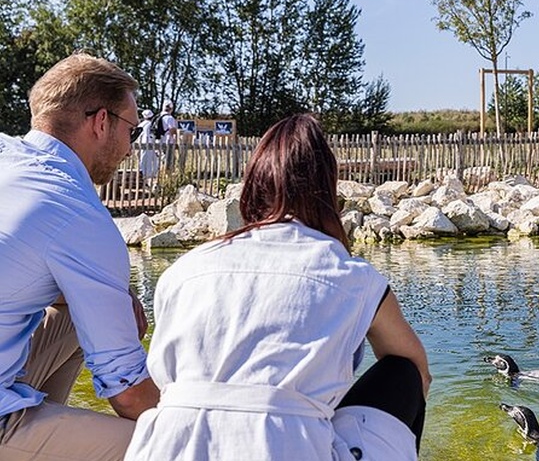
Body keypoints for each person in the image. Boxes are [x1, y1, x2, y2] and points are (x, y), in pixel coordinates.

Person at [125, 113, 431, 460]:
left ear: (253, 186)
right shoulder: (351, 274)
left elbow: (162, 381)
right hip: (280, 447)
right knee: (402, 370)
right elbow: (415, 366)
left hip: (169, 448)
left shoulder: (183, 269)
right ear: (328, 191)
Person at [0, 53, 160, 460]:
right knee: (176, 448)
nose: (130, 146)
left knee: (75, 314)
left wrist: (113, 299)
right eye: (133, 129)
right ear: (100, 122)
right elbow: (125, 390)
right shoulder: (76, 212)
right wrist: (205, 427)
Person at [136, 109, 159, 182]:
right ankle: (150, 177)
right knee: (153, 162)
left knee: (144, 161)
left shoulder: (141, 125)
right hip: (151, 145)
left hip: (143, 144)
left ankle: (144, 176)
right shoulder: (152, 124)